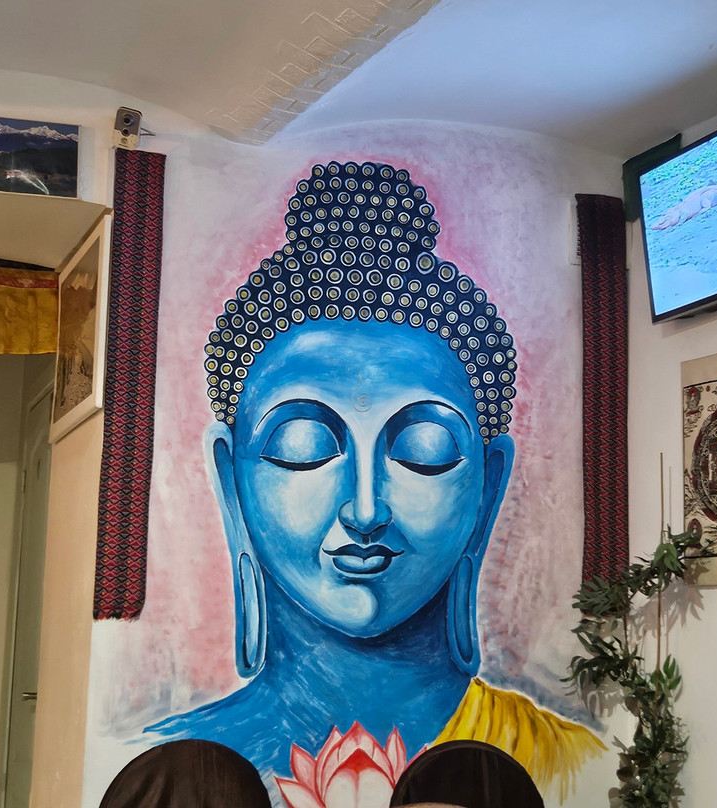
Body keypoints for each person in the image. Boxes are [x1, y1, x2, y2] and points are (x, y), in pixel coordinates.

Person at [146, 161, 602, 802]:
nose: (365, 509)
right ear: (231, 481)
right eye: (303, 449)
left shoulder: (564, 765)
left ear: (487, 487)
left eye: (424, 452)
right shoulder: (172, 775)